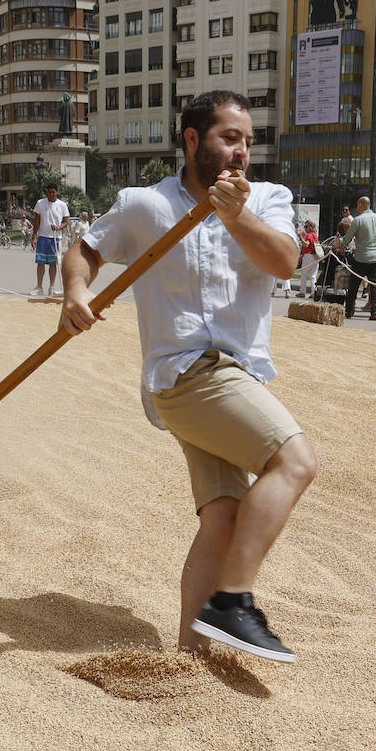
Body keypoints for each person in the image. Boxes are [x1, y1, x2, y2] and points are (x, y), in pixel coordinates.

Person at [59, 90, 316, 663]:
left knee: (224, 515)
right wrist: (76, 290)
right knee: (296, 461)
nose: (242, 152)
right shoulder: (145, 204)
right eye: (230, 138)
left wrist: (236, 215)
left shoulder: (269, 199)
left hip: (240, 377)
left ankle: (189, 654)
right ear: (193, 140)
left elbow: (284, 262)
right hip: (184, 374)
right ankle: (233, 603)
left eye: (249, 141)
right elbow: (86, 248)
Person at [334, 196, 376, 320]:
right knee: (375, 285)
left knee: (354, 286)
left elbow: (348, 237)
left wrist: (342, 247)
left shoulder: (358, 220)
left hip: (361, 257)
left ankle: (349, 311)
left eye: (357, 205)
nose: (356, 208)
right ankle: (374, 312)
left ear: (361, 205)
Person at [31, 182, 69, 296]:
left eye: (53, 192)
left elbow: (66, 222)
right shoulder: (40, 203)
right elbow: (36, 221)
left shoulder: (62, 205)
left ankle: (52, 287)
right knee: (40, 263)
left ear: (57, 192)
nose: (51, 194)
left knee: (53, 264)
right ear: (47, 192)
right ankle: (39, 287)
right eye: (49, 192)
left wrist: (58, 228)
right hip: (42, 237)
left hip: (55, 238)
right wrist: (34, 236)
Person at [298, 220, 321, 298]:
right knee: (313, 276)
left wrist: (301, 238)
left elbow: (306, 245)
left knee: (304, 274)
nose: (305, 228)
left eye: (306, 226)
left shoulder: (309, 235)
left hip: (308, 256)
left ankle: (302, 292)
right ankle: (313, 293)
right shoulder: (315, 235)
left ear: (311, 227)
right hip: (315, 256)